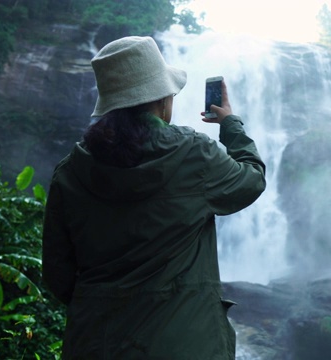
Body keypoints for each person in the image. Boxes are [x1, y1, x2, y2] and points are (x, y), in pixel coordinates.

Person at [41, 36, 266, 359]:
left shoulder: (70, 171)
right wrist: (230, 124)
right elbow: (252, 180)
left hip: (95, 344)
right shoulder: (193, 154)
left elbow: (57, 275)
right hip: (184, 345)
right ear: (162, 99)